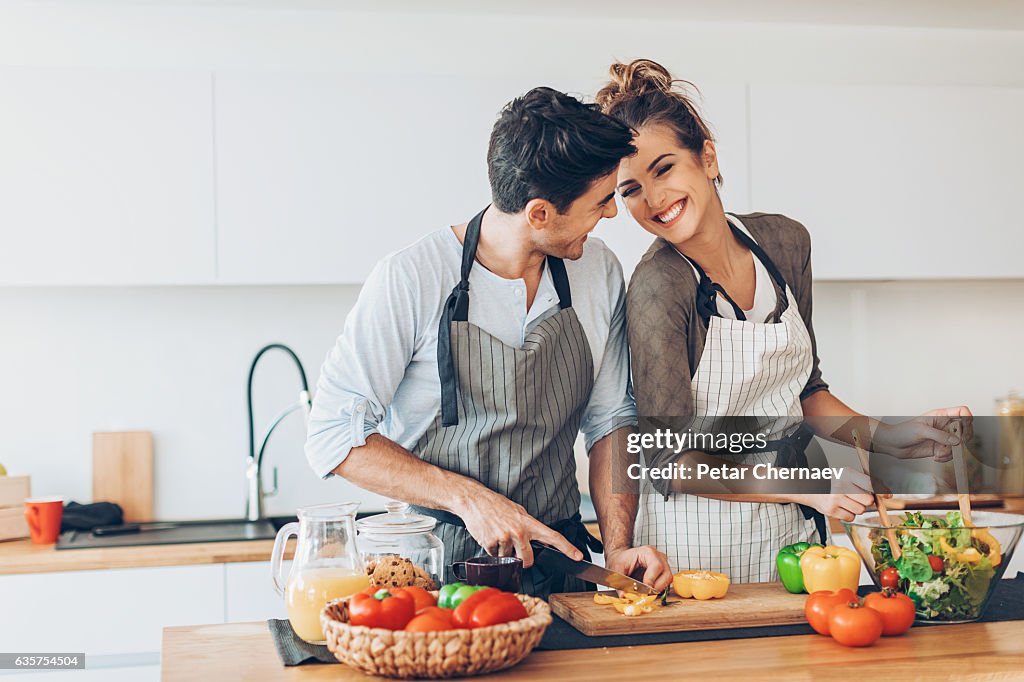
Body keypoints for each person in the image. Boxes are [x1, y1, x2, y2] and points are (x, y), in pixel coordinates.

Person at [595, 59, 972, 582]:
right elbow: (665, 463)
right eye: (629, 189)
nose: (653, 200)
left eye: (663, 169)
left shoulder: (784, 243)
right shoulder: (659, 287)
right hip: (693, 557)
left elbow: (806, 391)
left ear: (706, 157)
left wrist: (889, 435)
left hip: (792, 542)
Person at [306, 86, 673, 597]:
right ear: (540, 213)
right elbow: (333, 435)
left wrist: (615, 548)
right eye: (599, 202)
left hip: (558, 564)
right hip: (435, 573)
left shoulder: (599, 271)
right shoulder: (412, 278)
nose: (611, 214)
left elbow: (611, 419)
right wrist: (470, 499)